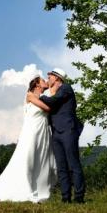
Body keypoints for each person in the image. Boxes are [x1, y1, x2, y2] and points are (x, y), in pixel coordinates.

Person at [0, 74, 57, 203]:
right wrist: (53, 92)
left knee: (41, 159)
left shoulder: (44, 97)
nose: (46, 81)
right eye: (43, 80)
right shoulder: (30, 95)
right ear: (37, 84)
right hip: (31, 131)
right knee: (28, 158)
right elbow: (47, 108)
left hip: (43, 132)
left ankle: (40, 190)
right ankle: (23, 188)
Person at [39, 68, 86, 204]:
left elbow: (54, 101)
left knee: (73, 165)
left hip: (68, 131)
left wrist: (39, 97)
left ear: (57, 78)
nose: (48, 77)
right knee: (61, 167)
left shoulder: (66, 88)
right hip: (56, 133)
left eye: (50, 76)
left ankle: (79, 197)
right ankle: (65, 197)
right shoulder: (54, 91)